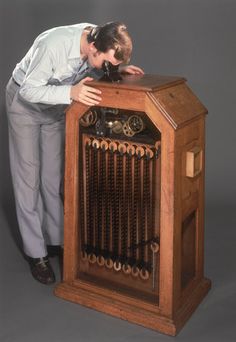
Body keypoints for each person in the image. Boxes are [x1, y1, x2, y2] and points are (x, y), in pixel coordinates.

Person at [5, 21, 144, 285]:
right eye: (102, 61)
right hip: (25, 106)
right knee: (29, 180)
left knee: (51, 179)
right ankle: (37, 254)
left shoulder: (100, 36)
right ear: (92, 46)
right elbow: (29, 89)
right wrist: (72, 91)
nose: (102, 66)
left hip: (55, 107)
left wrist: (117, 69)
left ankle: (58, 241)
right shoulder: (52, 45)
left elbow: (95, 63)